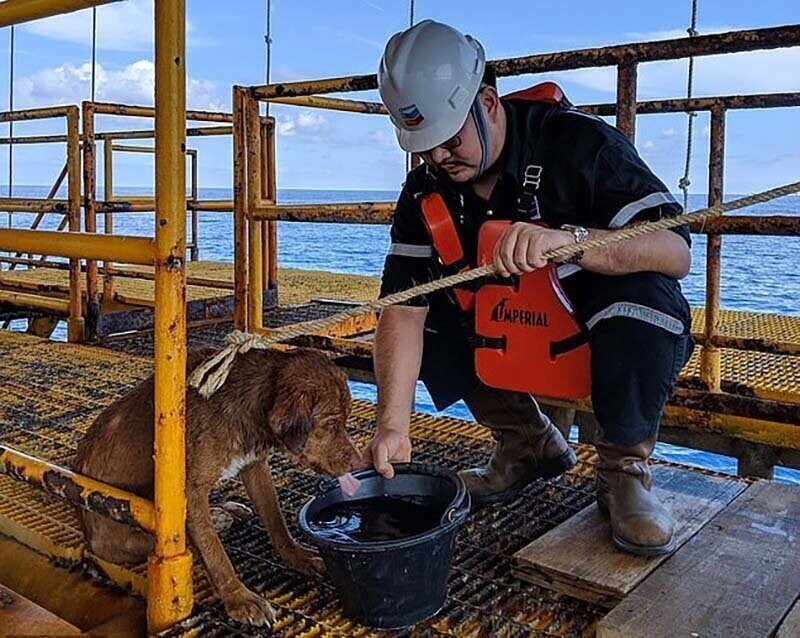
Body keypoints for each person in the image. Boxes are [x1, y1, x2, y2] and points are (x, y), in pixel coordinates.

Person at [362, 19, 694, 556]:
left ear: (488, 103)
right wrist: (392, 426)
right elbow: (402, 309)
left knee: (646, 301)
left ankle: (623, 473)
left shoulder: (581, 144)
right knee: (425, 312)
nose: (439, 159)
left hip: (592, 335)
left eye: (449, 139)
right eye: (424, 149)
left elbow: (675, 252)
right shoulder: (426, 190)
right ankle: (526, 444)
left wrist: (572, 241)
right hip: (512, 337)